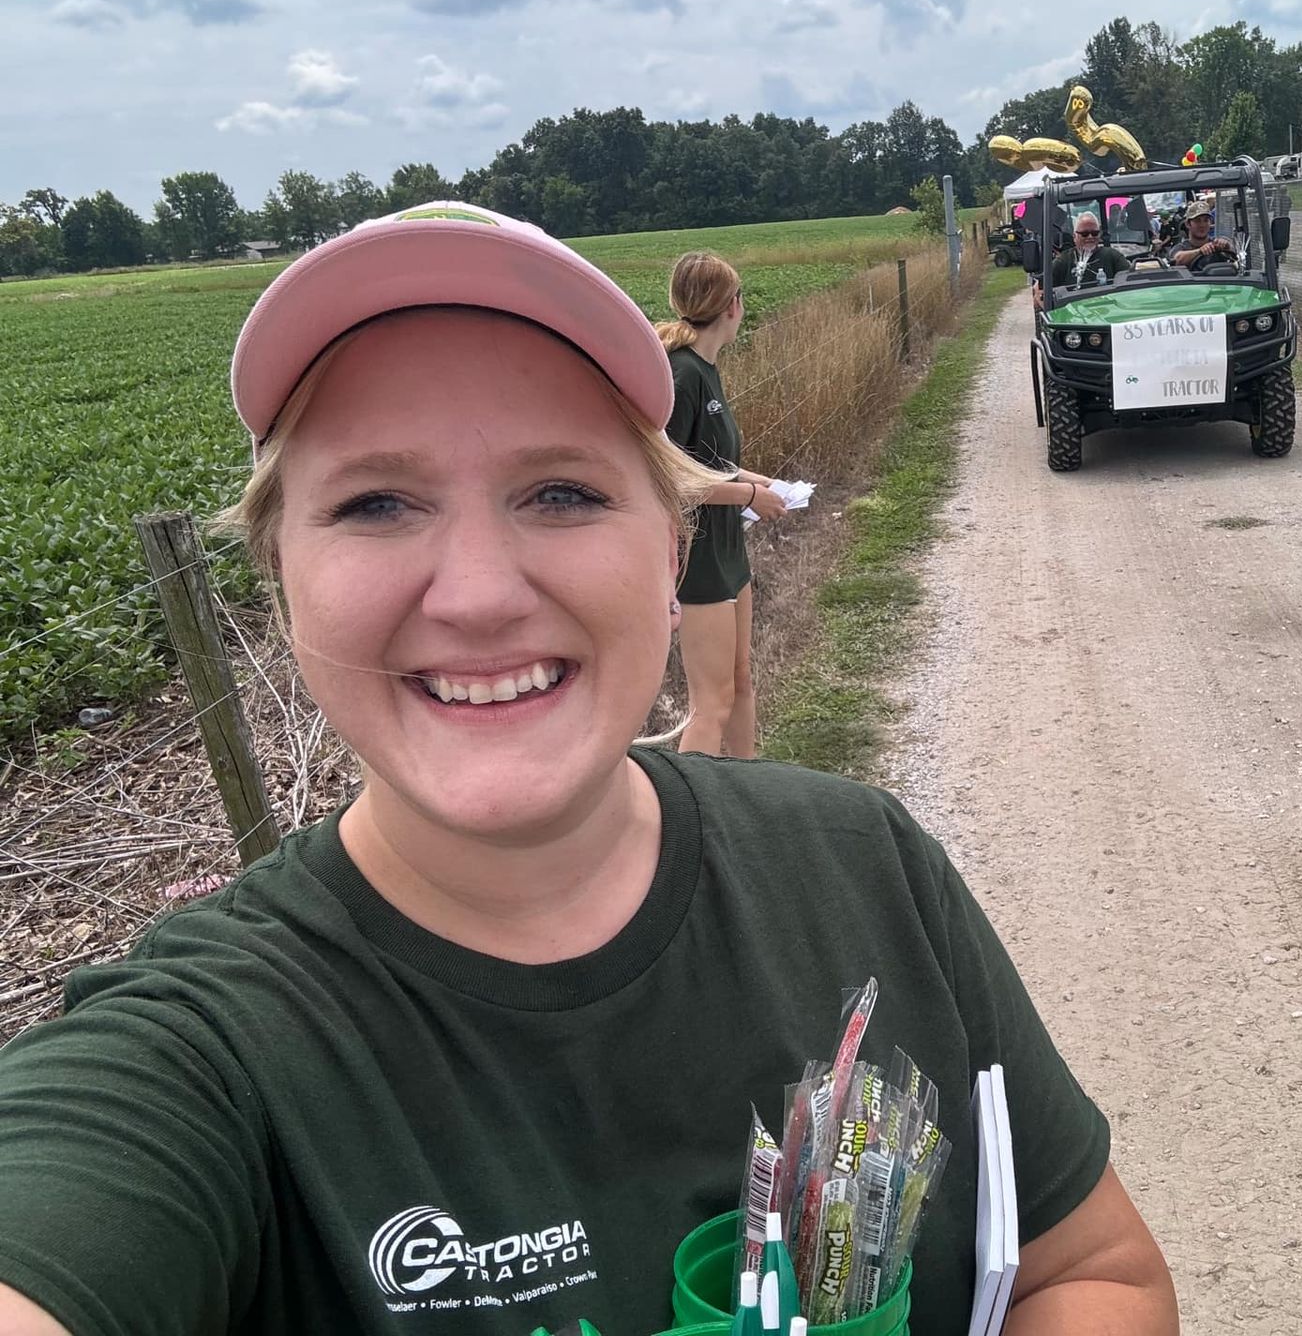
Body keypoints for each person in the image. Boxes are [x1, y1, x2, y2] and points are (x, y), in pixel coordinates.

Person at [0, 202, 1178, 1336]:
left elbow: (1090, 1274)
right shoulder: (203, 1052)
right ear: (280, 577)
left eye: (561, 492)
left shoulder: (864, 865)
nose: (475, 594)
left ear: (669, 550)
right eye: (374, 503)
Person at [654, 252, 785, 758]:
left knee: (741, 681)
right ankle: (699, 809)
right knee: (711, 706)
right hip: (699, 558)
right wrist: (751, 496)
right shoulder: (683, 375)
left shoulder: (707, 367)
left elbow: (704, 462)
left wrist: (757, 480)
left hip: (730, 551)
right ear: (733, 305)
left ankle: (747, 789)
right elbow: (670, 479)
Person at [1034, 211, 1129, 308]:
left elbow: (1129, 279)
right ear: (1074, 236)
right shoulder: (1064, 260)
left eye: (1094, 233)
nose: (1090, 237)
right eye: (1084, 234)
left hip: (1108, 309)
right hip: (1075, 315)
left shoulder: (1112, 255)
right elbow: (1038, 288)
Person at [1169, 201, 1236, 270]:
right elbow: (1178, 259)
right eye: (1197, 221)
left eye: (1206, 220)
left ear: (1211, 223)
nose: (1202, 225)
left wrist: (1226, 246)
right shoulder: (1180, 247)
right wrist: (1200, 251)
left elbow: (1238, 256)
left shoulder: (1216, 244)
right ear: (1188, 224)